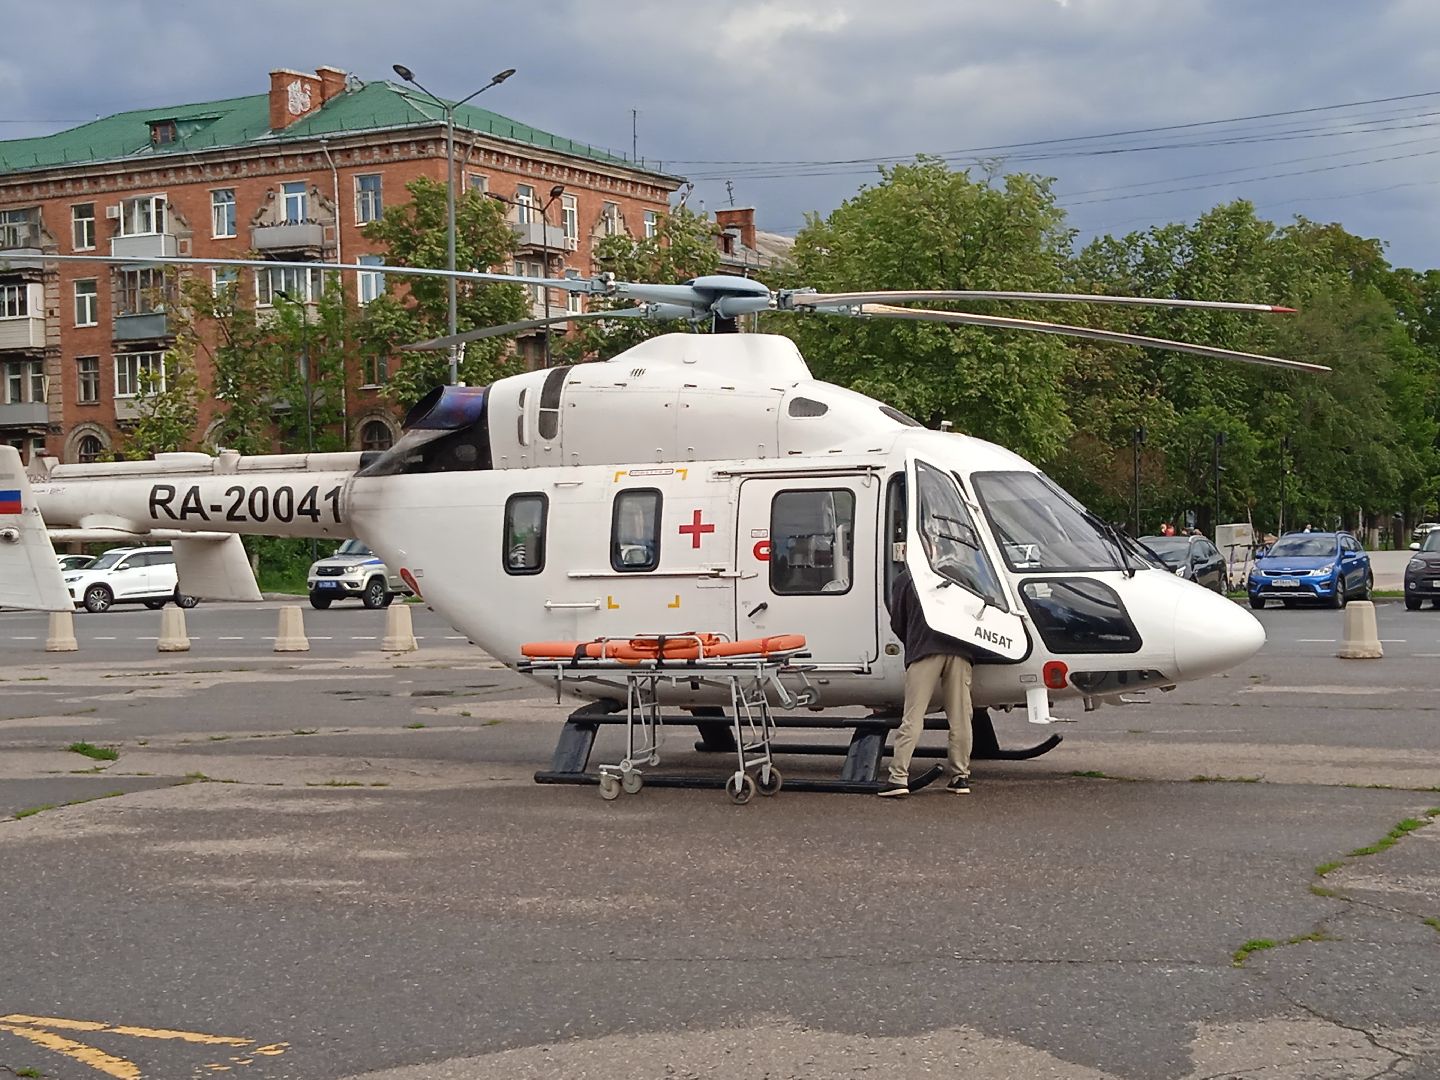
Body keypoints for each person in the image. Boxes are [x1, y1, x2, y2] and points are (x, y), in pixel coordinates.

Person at [879, 558, 976, 798]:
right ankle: (960, 776)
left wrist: (912, 640)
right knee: (961, 717)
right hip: (960, 651)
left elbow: (897, 621)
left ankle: (899, 777)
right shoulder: (960, 574)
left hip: (923, 650)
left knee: (913, 715)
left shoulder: (905, 578)